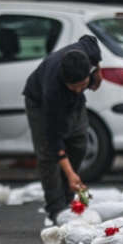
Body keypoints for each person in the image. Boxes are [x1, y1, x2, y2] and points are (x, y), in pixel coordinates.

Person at [23, 35, 102, 222]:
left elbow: (90, 39)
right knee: (48, 156)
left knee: (79, 142)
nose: (77, 90)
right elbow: (54, 138)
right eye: (73, 86)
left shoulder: (87, 51)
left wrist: (98, 72)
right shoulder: (53, 91)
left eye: (82, 85)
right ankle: (56, 210)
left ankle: (69, 198)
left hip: (74, 103)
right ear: (65, 81)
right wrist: (70, 173)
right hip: (38, 102)